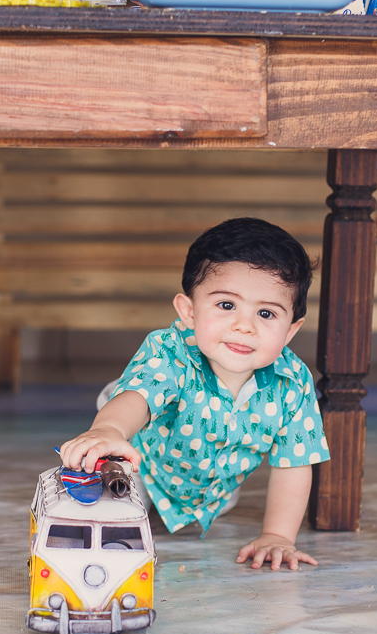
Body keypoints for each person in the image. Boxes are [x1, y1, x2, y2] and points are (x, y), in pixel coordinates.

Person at [57, 218, 327, 571]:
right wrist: (109, 429)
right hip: (143, 459)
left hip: (215, 487)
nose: (244, 326)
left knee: (218, 503)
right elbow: (139, 396)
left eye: (266, 313)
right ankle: (110, 412)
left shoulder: (293, 382)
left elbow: (294, 462)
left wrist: (278, 535)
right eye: (226, 305)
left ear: (290, 331)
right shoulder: (171, 352)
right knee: (113, 508)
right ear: (188, 311)